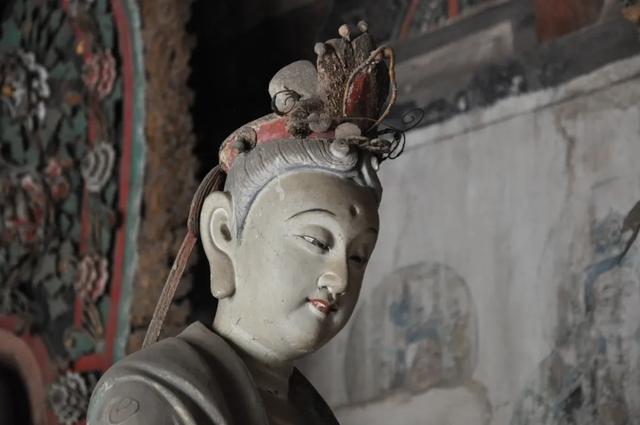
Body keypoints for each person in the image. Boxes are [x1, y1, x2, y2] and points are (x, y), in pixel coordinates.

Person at [88, 23, 400, 425]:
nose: (339, 279)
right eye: (316, 241)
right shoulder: (156, 396)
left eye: (358, 257)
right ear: (223, 234)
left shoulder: (313, 414)